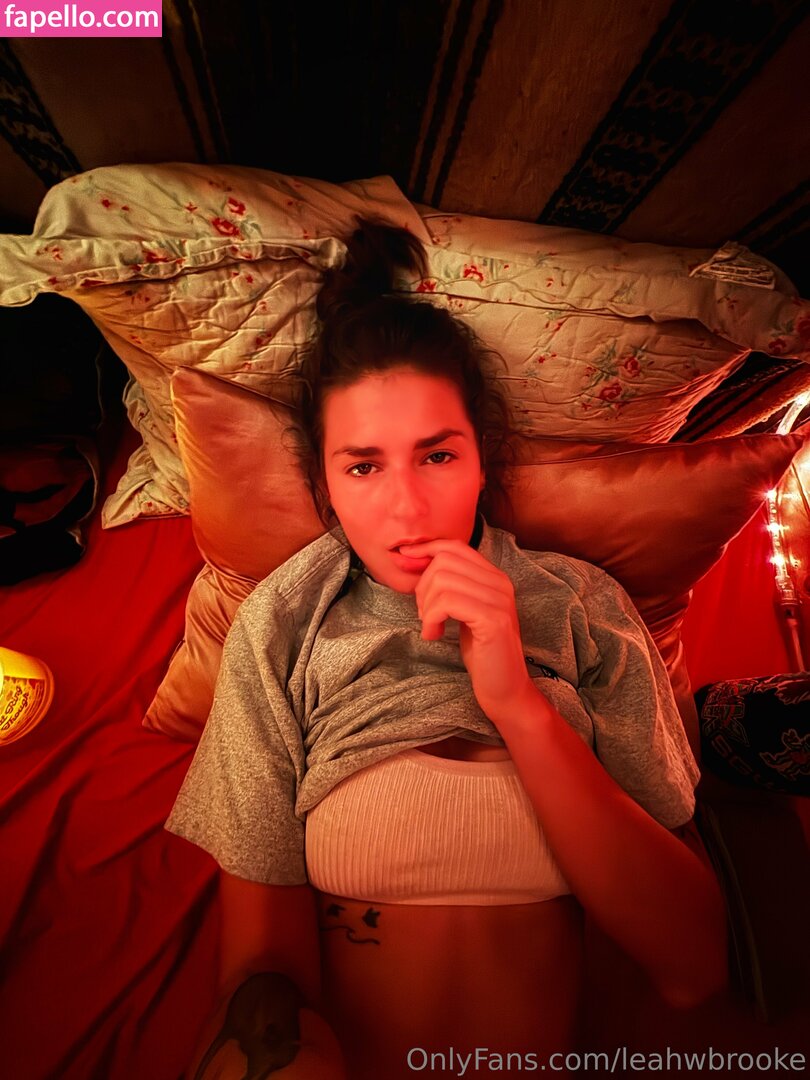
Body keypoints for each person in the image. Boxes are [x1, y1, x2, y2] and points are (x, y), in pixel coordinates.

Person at [166, 221, 727, 1079]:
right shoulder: (283, 624)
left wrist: (518, 706)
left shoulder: (582, 604)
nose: (407, 509)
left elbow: (692, 966)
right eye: (363, 467)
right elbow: (260, 967)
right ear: (325, 486)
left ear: (481, 462)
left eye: (436, 455)